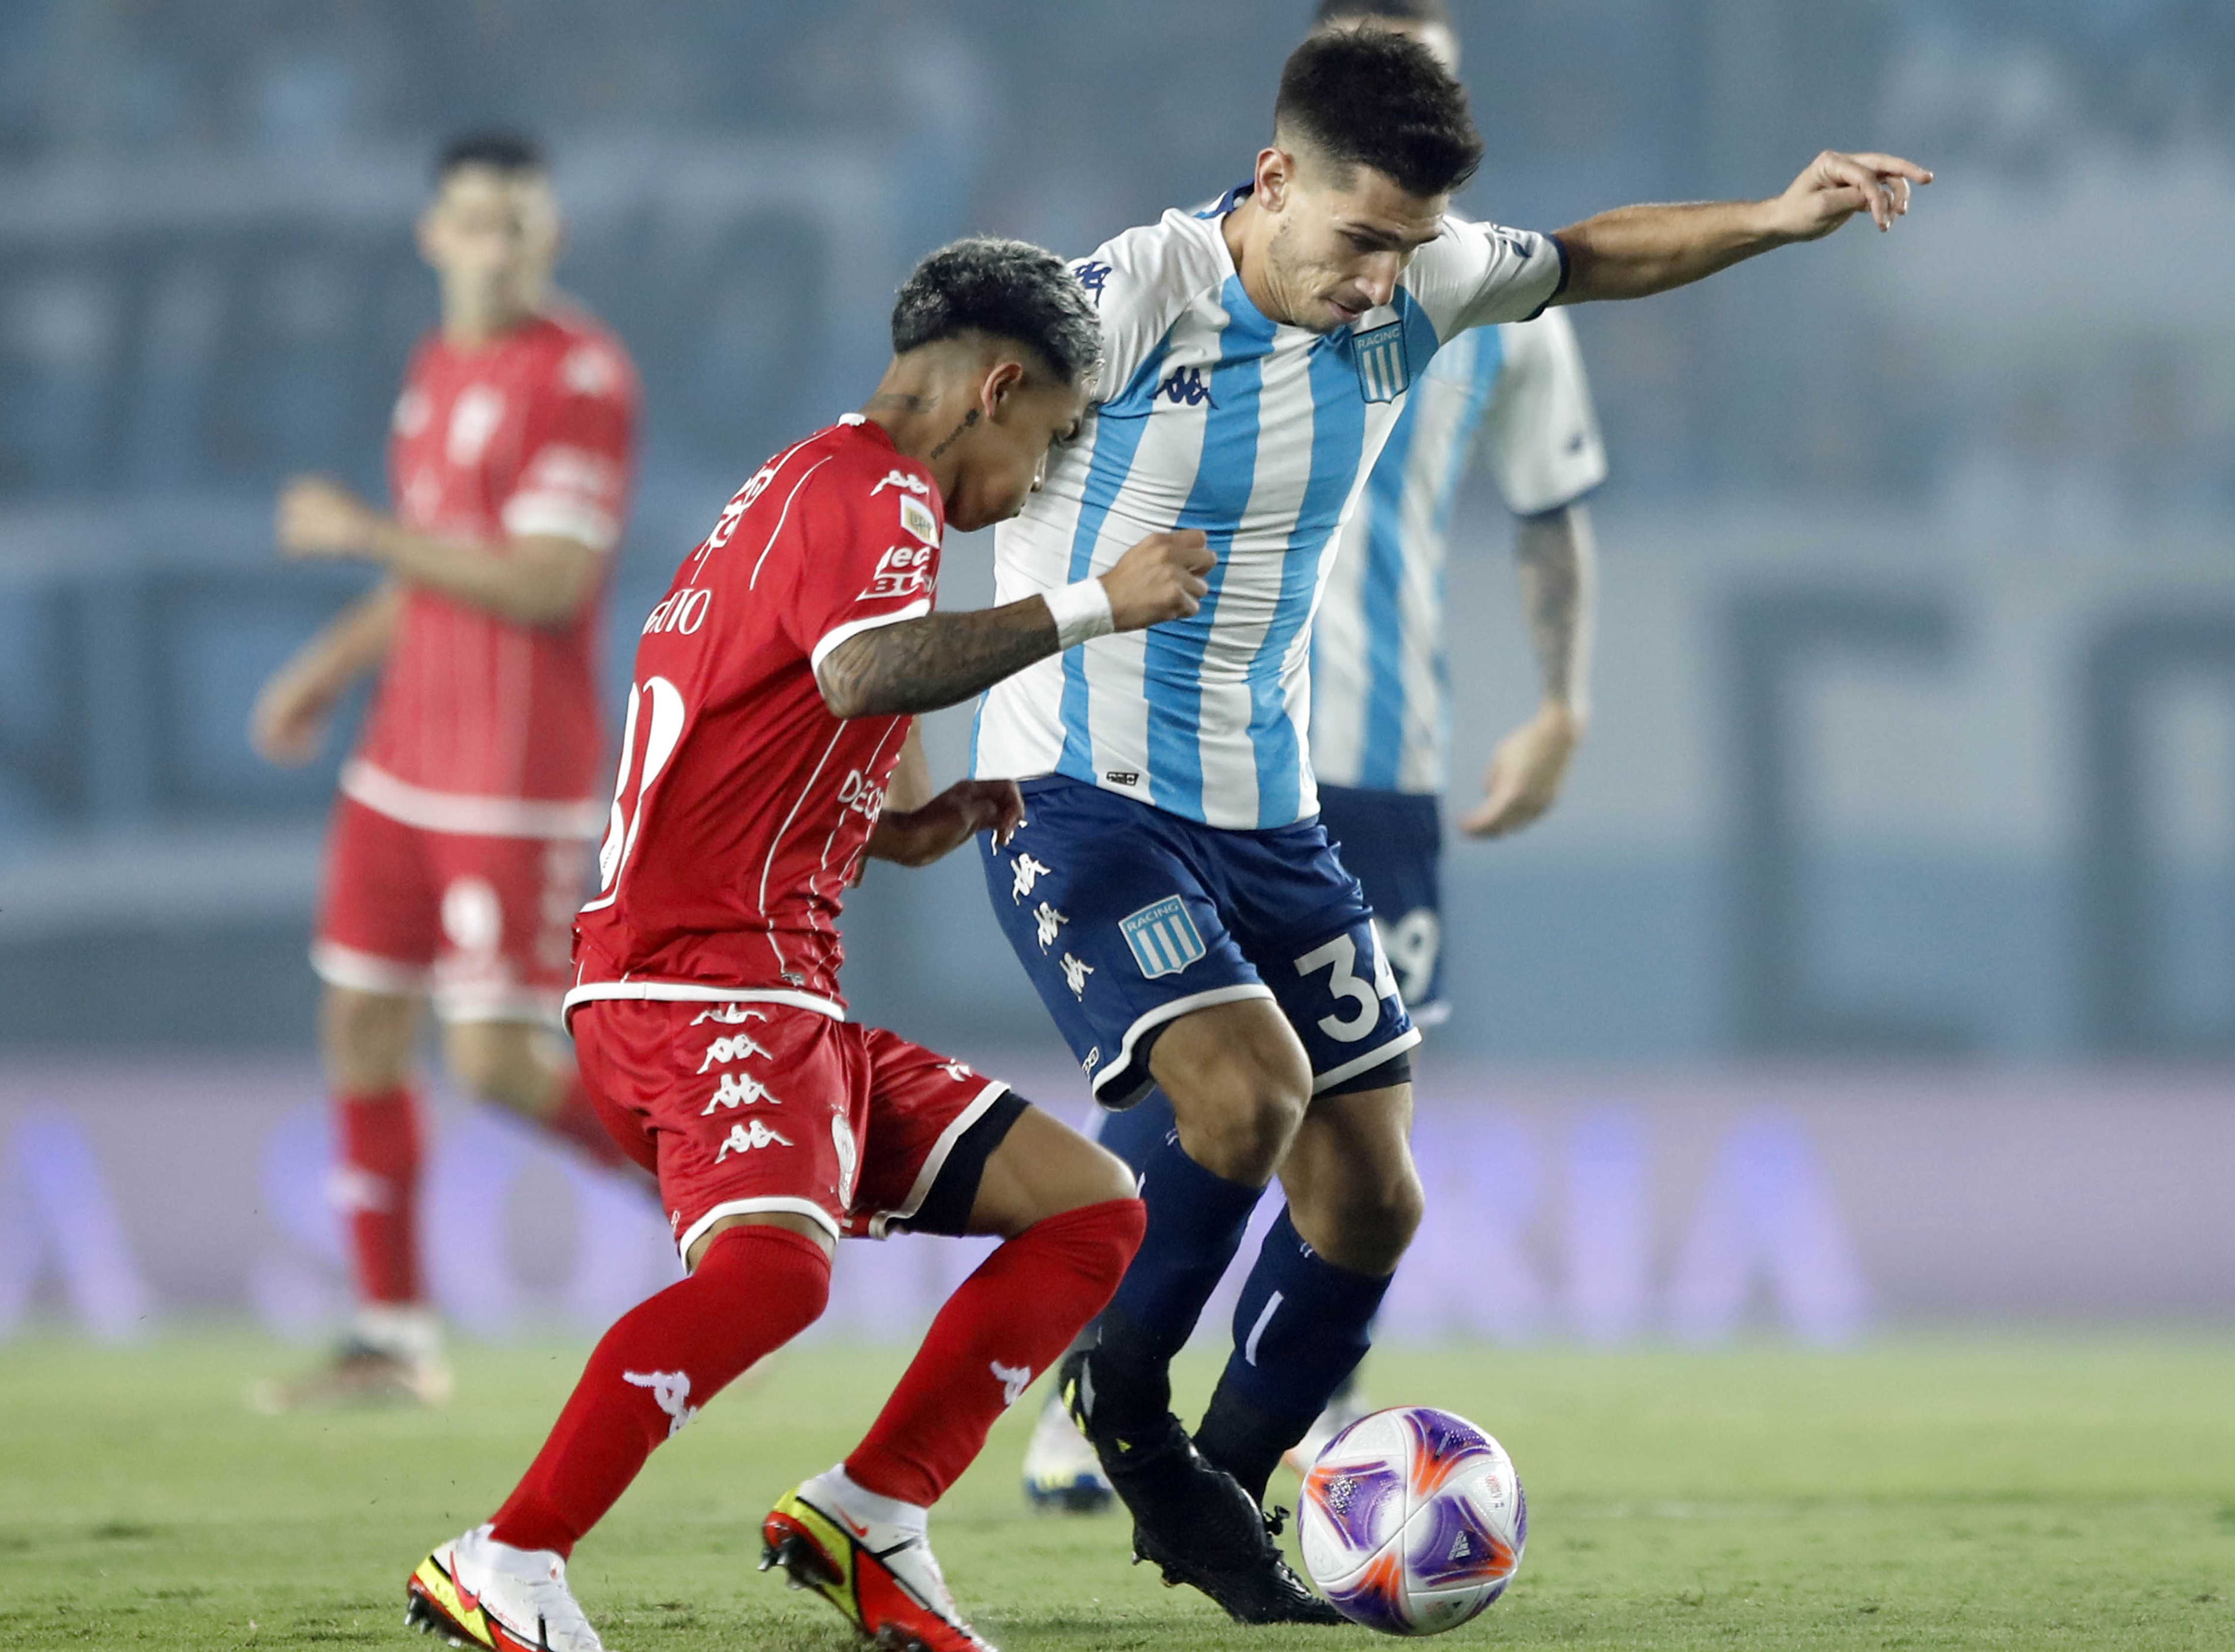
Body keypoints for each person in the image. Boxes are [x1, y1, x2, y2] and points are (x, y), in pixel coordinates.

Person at [971, 24, 1928, 1622]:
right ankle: (1130, 1433)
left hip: (1269, 808)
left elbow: (1590, 257)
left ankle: (1238, 1493)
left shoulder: (1419, 278)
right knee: (1238, 1102)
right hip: (1085, 793)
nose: (1377, 284)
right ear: (1271, 180)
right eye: (1355, 242)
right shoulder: (1123, 296)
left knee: (1372, 1197)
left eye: (1405, 252)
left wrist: (1771, 218)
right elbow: (941, 434)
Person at [404, 238, 1216, 1652]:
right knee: (772, 1276)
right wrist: (1095, 606)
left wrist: (921, 823)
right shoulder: (878, 490)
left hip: (766, 987)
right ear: (996, 388)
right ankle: (509, 1555)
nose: (1033, 482)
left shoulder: (804, 493)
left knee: (1089, 1208)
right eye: (1047, 441)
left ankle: (872, 1510)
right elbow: (857, 671)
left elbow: (813, 714)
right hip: (698, 978)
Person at [1017, 0, 1610, 1514]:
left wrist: (1560, 700)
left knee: (1356, 1154)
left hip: (1366, 759)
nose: (1375, 271)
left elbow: (1552, 511)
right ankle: (1104, 1398)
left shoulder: (1468, 293)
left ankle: (1269, 1436)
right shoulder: (1160, 288)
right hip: (1147, 752)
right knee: (1201, 1091)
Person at [246, 131, 642, 1409]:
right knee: (359, 1021)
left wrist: (360, 535)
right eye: (475, 220)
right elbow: (438, 557)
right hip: (401, 757)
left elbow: (547, 579)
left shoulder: (578, 375)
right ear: (434, 234)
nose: (497, 244)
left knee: (493, 1063)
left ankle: (718, 1194)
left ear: (550, 240)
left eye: (518, 223)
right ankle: (391, 1335)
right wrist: (328, 662)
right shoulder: (435, 366)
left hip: (510, 775)